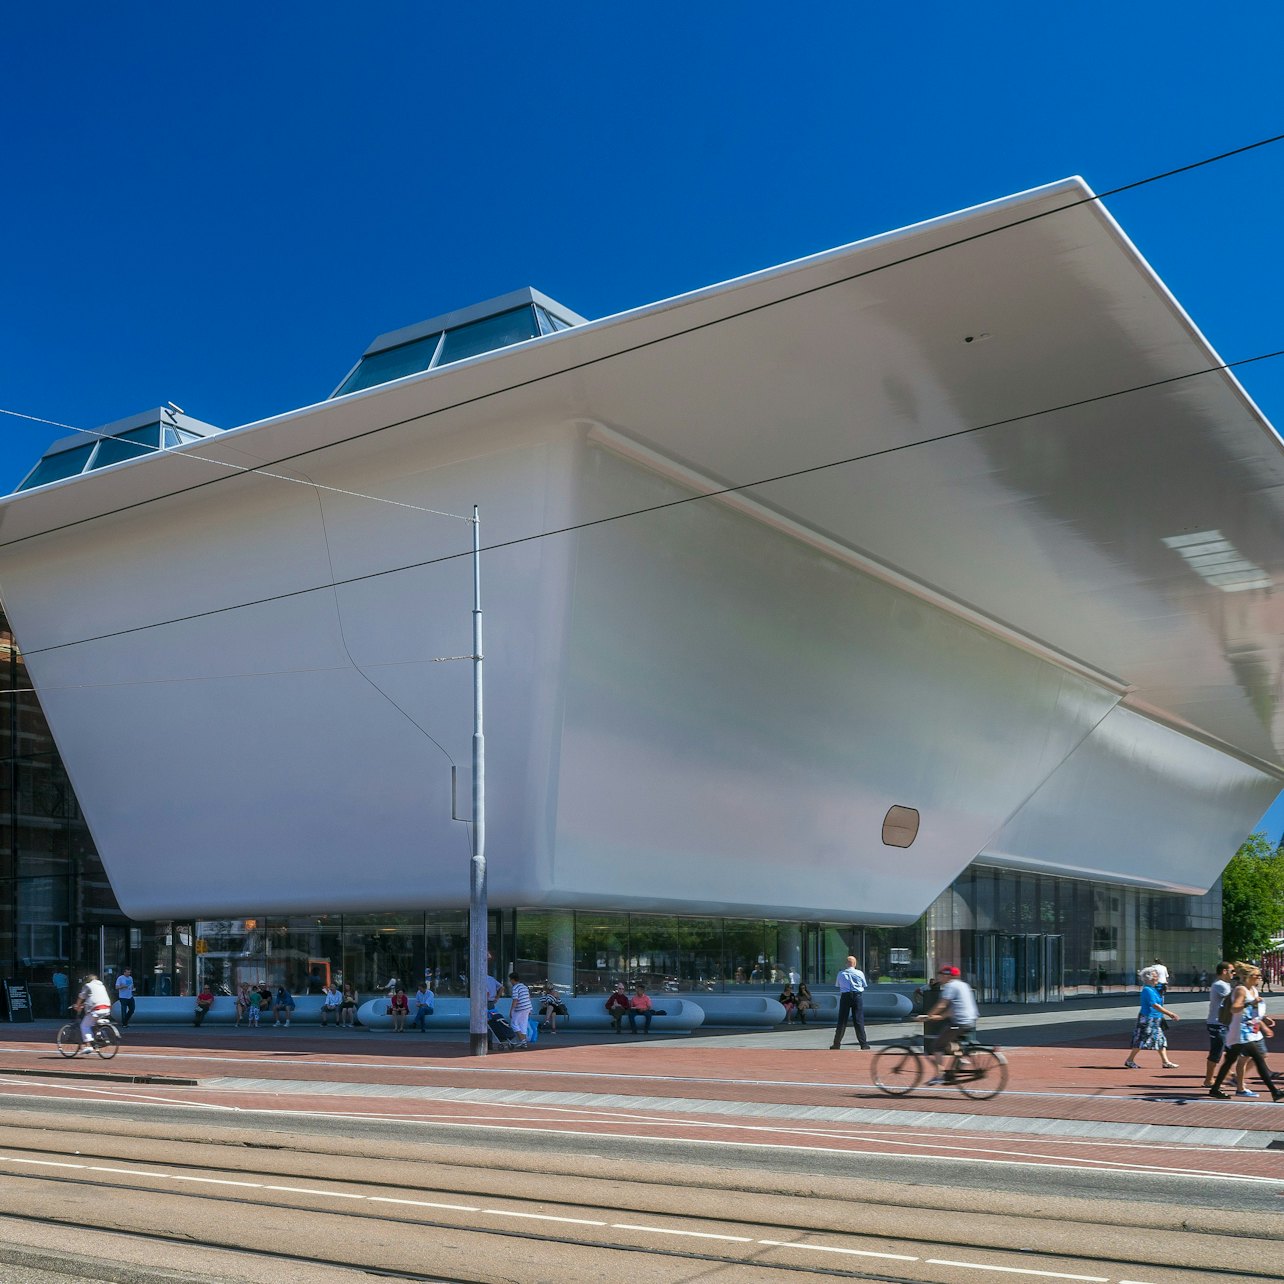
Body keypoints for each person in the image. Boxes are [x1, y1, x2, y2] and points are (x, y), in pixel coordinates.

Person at [1210, 962, 1284, 1101]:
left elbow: (1254, 1012)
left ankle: (1215, 1089)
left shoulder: (1253, 990)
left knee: (1230, 1060)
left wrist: (1264, 1021)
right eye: (1257, 975)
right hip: (1241, 1032)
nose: (1259, 978)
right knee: (1258, 1058)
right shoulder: (1241, 990)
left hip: (1250, 1031)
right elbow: (1235, 1008)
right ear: (1248, 976)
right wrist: (1250, 1003)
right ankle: (1274, 1091)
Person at [920, 965, 979, 1084]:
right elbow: (953, 1008)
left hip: (959, 1021)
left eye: (941, 975)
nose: (940, 977)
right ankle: (961, 1058)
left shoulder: (950, 986)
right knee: (950, 1041)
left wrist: (927, 1015)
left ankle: (939, 1075)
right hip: (970, 1020)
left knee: (937, 1046)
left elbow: (942, 1005)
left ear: (947, 976)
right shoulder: (963, 985)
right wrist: (939, 1017)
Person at [1124, 965, 1180, 1070]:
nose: (1157, 978)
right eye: (1155, 976)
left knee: (1161, 1040)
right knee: (1141, 1039)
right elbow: (1155, 1005)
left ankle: (1165, 1062)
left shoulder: (1154, 989)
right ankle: (1130, 1060)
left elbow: (1160, 1000)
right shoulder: (1147, 990)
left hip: (1156, 1018)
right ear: (1149, 978)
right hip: (1147, 1019)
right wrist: (1170, 1014)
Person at [1203, 962, 1247, 1093]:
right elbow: (1234, 999)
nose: (1233, 974)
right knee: (1216, 1052)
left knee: (1230, 1051)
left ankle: (1230, 1075)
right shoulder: (1219, 985)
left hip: (1224, 1023)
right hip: (1216, 1023)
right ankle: (1208, 1080)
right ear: (1224, 971)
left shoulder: (1226, 985)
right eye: (1232, 971)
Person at [830, 955, 870, 1050]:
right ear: (855, 964)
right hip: (857, 996)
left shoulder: (841, 973)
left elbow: (838, 985)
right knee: (859, 1020)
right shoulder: (860, 973)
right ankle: (863, 1044)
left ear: (846, 964)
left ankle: (837, 1043)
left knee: (842, 1020)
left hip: (845, 996)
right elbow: (864, 984)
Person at [74, 972, 113, 1055]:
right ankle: (101, 1036)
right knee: (94, 1023)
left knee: (84, 1025)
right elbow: (94, 998)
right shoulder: (101, 986)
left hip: (96, 1009)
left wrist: (77, 1006)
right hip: (106, 1007)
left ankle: (88, 1046)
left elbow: (81, 996)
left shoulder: (88, 985)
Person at [507, 972, 532, 1046]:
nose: (510, 981)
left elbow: (515, 1000)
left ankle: (523, 1041)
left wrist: (511, 1010)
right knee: (523, 1025)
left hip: (520, 1008)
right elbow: (528, 997)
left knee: (514, 1024)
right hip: (527, 1007)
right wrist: (530, 1008)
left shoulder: (515, 988)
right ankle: (524, 1043)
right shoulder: (524, 986)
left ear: (512, 979)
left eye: (510, 980)